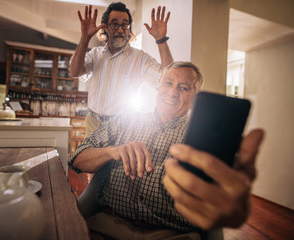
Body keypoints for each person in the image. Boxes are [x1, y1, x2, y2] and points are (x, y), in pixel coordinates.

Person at [68, 61, 264, 239]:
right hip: (107, 226)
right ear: (158, 86)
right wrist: (112, 151)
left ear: (195, 96)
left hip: (173, 234)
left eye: (184, 87)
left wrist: (230, 202)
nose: (172, 92)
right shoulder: (125, 121)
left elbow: (221, 192)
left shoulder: (200, 141)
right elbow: (77, 159)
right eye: (168, 83)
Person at [69, 2, 173, 136]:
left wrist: (161, 40)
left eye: (124, 24)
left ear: (129, 28)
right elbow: (74, 72)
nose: (120, 29)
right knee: (88, 157)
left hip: (124, 127)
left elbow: (168, 81)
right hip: (93, 124)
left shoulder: (140, 58)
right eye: (114, 23)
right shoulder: (95, 54)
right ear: (105, 27)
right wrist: (85, 37)